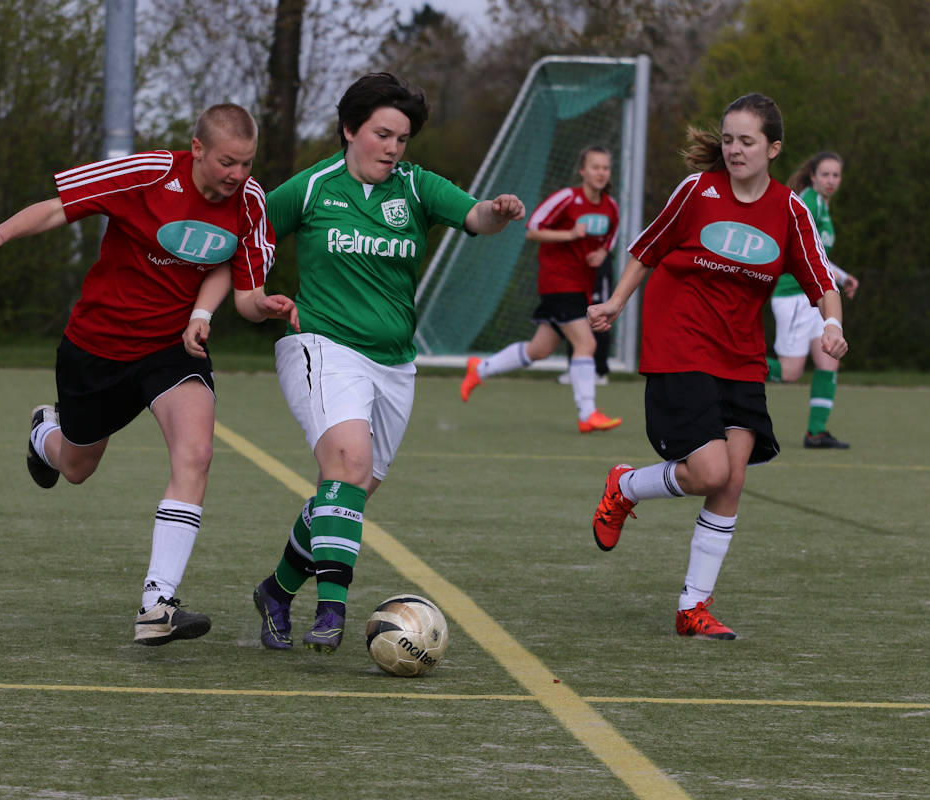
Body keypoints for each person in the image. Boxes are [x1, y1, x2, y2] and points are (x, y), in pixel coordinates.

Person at [0, 104, 297, 647]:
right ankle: (47, 433)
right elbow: (57, 208)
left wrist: (259, 309)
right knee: (77, 467)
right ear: (198, 148)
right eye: (228, 162)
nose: (238, 175)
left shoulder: (251, 203)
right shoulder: (146, 173)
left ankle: (156, 605)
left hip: (172, 347)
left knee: (196, 452)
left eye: (247, 164)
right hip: (98, 346)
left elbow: (243, 287)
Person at [250, 73, 525, 653]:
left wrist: (498, 212)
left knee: (350, 490)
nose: (393, 148)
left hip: (395, 364)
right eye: (381, 134)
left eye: (402, 138)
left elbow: (475, 217)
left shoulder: (417, 188)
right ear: (350, 129)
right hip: (323, 347)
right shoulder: (310, 189)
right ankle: (332, 609)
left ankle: (276, 591)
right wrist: (252, 299)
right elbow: (247, 240)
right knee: (348, 463)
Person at [586, 93, 847, 640]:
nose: (734, 150)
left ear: (773, 148)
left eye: (747, 141)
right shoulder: (697, 192)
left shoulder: (790, 210)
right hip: (680, 344)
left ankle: (692, 607)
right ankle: (626, 486)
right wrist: (616, 304)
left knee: (731, 481)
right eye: (727, 140)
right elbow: (647, 249)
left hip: (742, 357)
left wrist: (832, 325)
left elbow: (821, 280)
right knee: (708, 472)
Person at [460, 146, 622, 433]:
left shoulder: (610, 207)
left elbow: (608, 242)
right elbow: (533, 228)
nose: (601, 173)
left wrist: (601, 254)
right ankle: (588, 413)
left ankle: (479, 369)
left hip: (580, 285)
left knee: (540, 349)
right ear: (582, 170)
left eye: (605, 168)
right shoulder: (567, 199)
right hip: (558, 282)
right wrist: (569, 234)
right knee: (586, 344)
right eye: (595, 167)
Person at [768, 151, 859, 448]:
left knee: (828, 359)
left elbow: (817, 256)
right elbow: (798, 252)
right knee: (791, 372)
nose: (831, 180)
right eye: (825, 175)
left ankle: (816, 433)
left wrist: (842, 277)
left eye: (836, 175)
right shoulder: (808, 202)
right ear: (813, 176)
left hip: (812, 296)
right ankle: (728, 360)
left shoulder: (821, 205)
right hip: (793, 294)